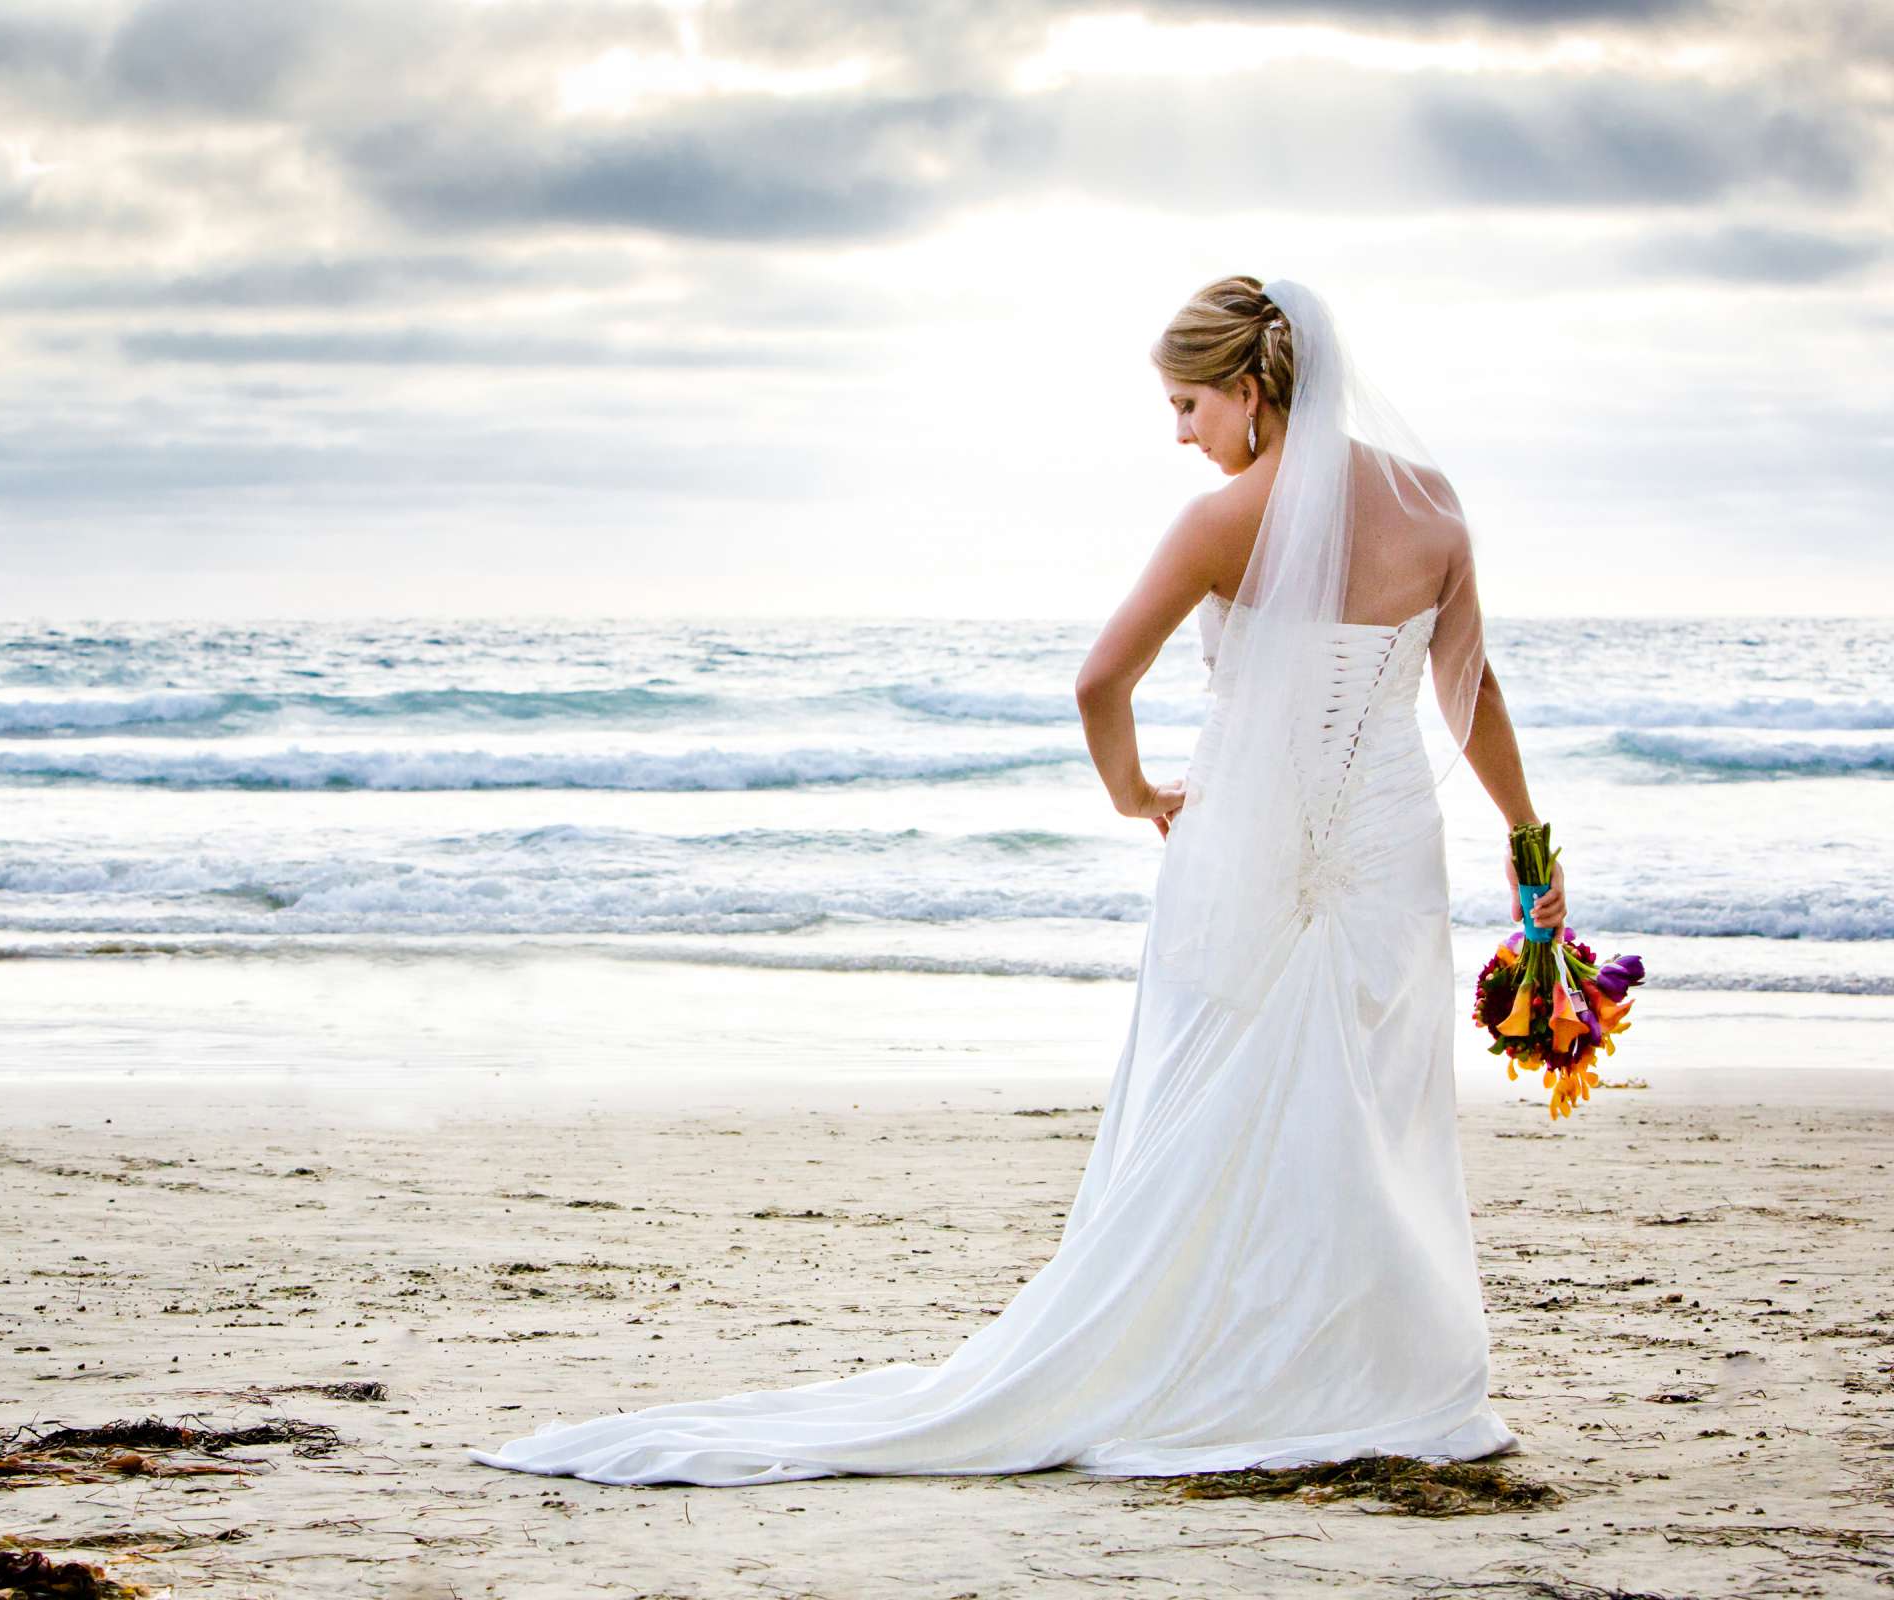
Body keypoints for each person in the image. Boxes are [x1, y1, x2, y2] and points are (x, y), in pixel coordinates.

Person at [463, 275, 1551, 1487]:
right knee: (1373, 1110)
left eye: (1188, 405)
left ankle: (1236, 1359)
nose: (1181, 433)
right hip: (1389, 851)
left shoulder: (1220, 522)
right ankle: (1373, 1367)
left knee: (1217, 1102)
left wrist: (1133, 796)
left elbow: (1099, 682)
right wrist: (1530, 853)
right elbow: (1472, 696)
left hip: (1246, 844)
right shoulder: (1435, 507)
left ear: (1251, 389)